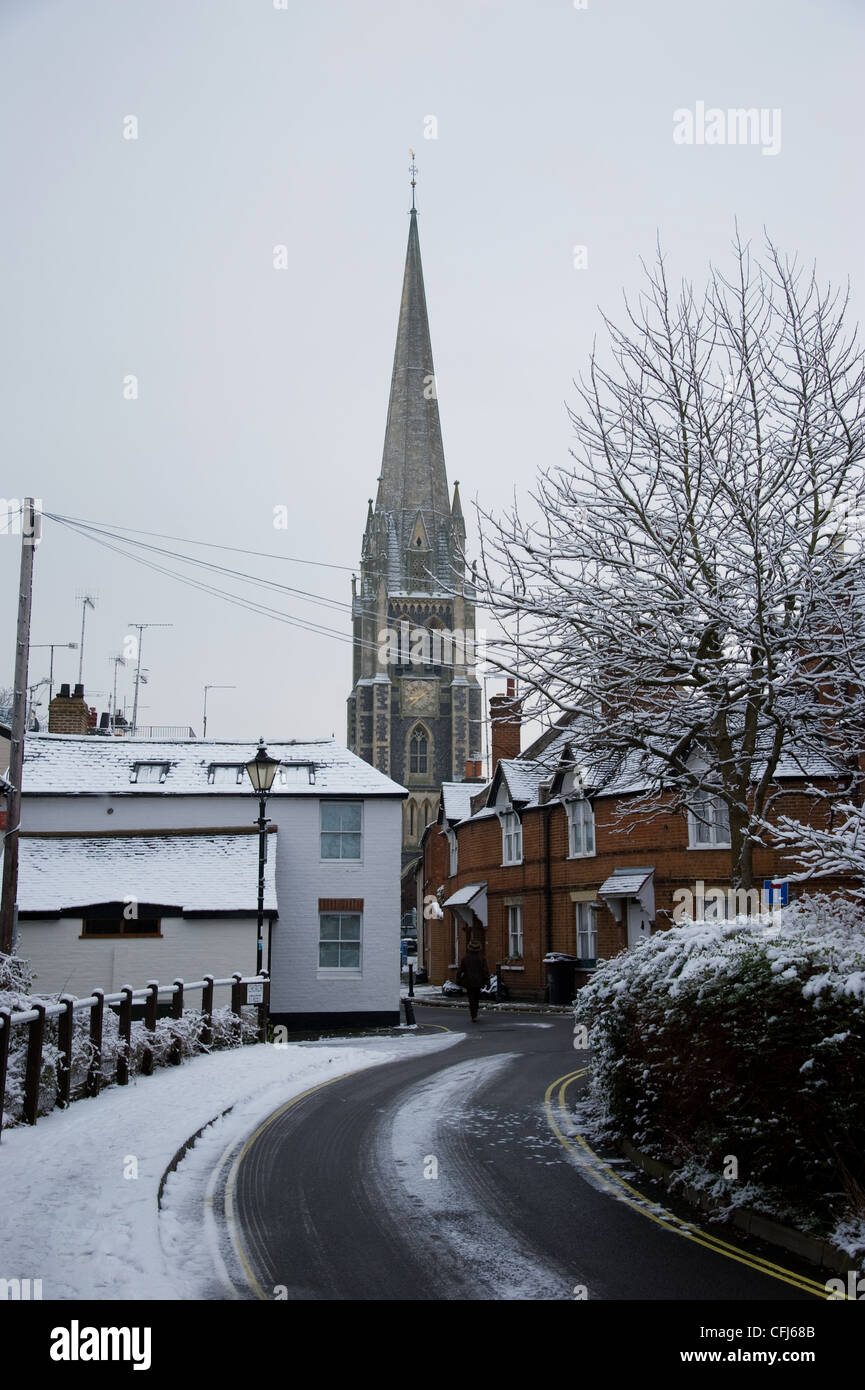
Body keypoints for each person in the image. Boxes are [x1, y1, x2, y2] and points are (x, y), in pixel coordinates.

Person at [457, 939, 490, 1022]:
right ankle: (475, 1014)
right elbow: (485, 971)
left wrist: (458, 980)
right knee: (476, 998)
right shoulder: (481, 958)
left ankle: (473, 1015)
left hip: (469, 981)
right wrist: (487, 981)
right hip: (479, 981)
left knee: (471, 998)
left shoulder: (465, 958)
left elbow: (460, 970)